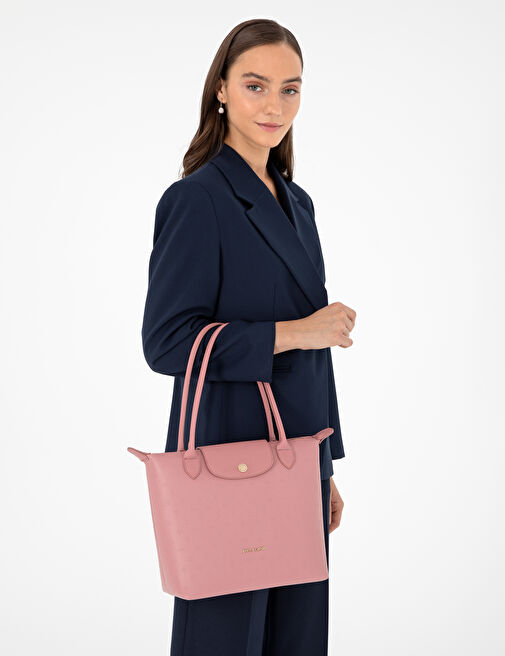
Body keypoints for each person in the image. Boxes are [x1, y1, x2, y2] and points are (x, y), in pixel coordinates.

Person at [141, 18, 356, 656]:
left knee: (297, 636)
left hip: (297, 459)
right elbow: (166, 342)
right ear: (222, 90)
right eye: (256, 86)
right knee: (224, 635)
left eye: (290, 89)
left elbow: (314, 355)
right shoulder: (197, 199)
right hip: (226, 456)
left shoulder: (298, 202)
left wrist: (325, 467)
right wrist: (295, 331)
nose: (275, 106)